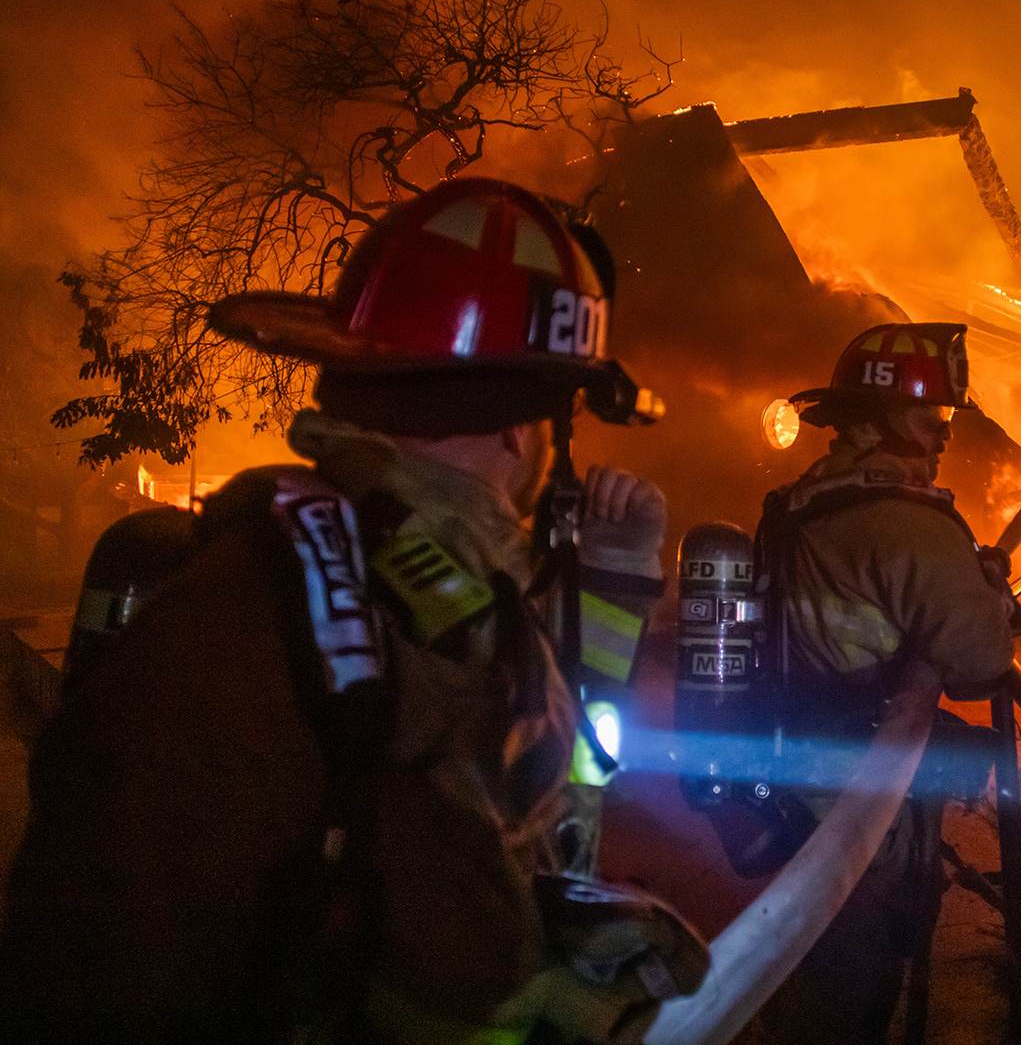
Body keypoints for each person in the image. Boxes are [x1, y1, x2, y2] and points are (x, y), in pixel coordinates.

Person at [0, 178, 706, 1044]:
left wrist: (618, 576)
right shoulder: (271, 626)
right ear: (526, 431)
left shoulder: (430, 591)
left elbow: (548, 806)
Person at [750, 321, 1017, 1045]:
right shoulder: (906, 522)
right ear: (883, 419)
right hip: (864, 788)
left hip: (797, 771)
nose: (943, 433)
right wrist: (995, 596)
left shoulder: (806, 502)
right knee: (852, 976)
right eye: (930, 415)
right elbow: (979, 660)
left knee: (808, 960)